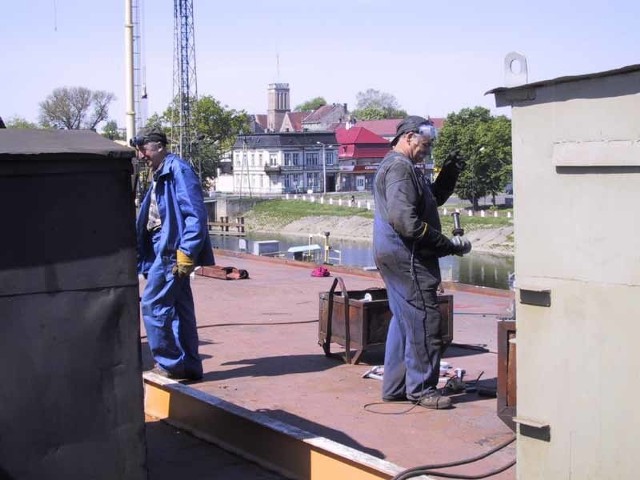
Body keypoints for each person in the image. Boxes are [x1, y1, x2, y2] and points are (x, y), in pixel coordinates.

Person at [373, 116, 471, 409]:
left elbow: (430, 199)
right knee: (425, 319)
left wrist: (450, 173)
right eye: (424, 145)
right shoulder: (400, 170)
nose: (427, 151)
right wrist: (448, 246)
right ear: (409, 137)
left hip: (395, 254)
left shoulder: (405, 168)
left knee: (405, 322)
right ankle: (423, 390)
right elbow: (407, 222)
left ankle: (395, 387)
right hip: (408, 258)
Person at [133, 127, 214, 381]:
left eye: (143, 149)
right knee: (179, 308)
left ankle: (169, 364)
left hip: (171, 249)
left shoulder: (177, 169)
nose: (141, 155)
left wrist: (187, 251)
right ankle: (189, 366)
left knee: (152, 304)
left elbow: (195, 214)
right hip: (163, 246)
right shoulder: (160, 173)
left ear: (158, 146)